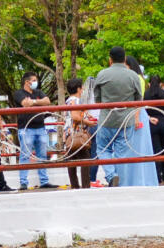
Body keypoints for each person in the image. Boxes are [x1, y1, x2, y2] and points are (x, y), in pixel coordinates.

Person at [91, 47, 141, 187]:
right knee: (122, 153)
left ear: (110, 59)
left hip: (106, 119)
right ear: (124, 59)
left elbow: (97, 99)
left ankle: (111, 175)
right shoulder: (133, 76)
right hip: (126, 120)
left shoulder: (102, 75)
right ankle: (120, 181)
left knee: (102, 149)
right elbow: (139, 99)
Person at [118, 56, 158, 187]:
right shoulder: (136, 78)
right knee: (137, 148)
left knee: (136, 149)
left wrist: (136, 117)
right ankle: (139, 180)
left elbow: (138, 100)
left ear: (129, 65)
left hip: (135, 115)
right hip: (137, 114)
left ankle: (137, 180)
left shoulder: (136, 78)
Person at [12, 72, 56, 190]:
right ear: (27, 82)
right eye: (34, 80)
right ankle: (23, 182)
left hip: (40, 127)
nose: (36, 82)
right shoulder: (19, 93)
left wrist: (34, 102)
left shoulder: (38, 92)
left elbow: (47, 101)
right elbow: (25, 104)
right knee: (25, 155)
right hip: (26, 128)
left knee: (42, 155)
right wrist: (35, 103)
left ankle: (44, 181)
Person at [59, 77, 95, 189]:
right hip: (78, 133)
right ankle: (85, 185)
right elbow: (75, 116)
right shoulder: (76, 101)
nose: (83, 89)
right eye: (82, 87)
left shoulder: (69, 100)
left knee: (72, 159)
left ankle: (75, 185)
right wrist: (88, 122)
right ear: (78, 89)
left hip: (69, 133)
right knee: (85, 158)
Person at [145, 75, 164, 184]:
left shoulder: (146, 95)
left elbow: (143, 109)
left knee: (156, 150)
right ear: (161, 84)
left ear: (149, 84)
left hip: (152, 123)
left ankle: (157, 176)